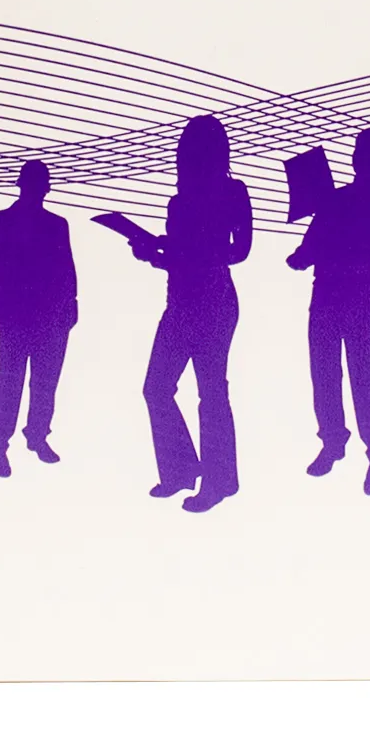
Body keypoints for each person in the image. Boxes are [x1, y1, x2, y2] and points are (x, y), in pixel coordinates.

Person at [132, 115, 252, 513]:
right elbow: (178, 254)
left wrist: (189, 254)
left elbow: (240, 251)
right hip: (181, 299)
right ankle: (184, 471)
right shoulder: (179, 200)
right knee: (158, 387)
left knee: (210, 390)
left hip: (214, 298)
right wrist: (155, 252)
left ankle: (218, 481)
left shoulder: (233, 192)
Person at [287, 127, 370, 495]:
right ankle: (338, 443)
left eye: (362, 151)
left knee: (360, 375)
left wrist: (308, 256)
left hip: (352, 293)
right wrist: (302, 256)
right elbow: (310, 244)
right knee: (330, 372)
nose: (357, 157)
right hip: (333, 292)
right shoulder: (341, 200)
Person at [0, 159, 78, 478]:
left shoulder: (56, 225)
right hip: (16, 317)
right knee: (10, 383)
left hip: (50, 318)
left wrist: (70, 309)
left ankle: (36, 436)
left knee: (43, 383)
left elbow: (67, 269)